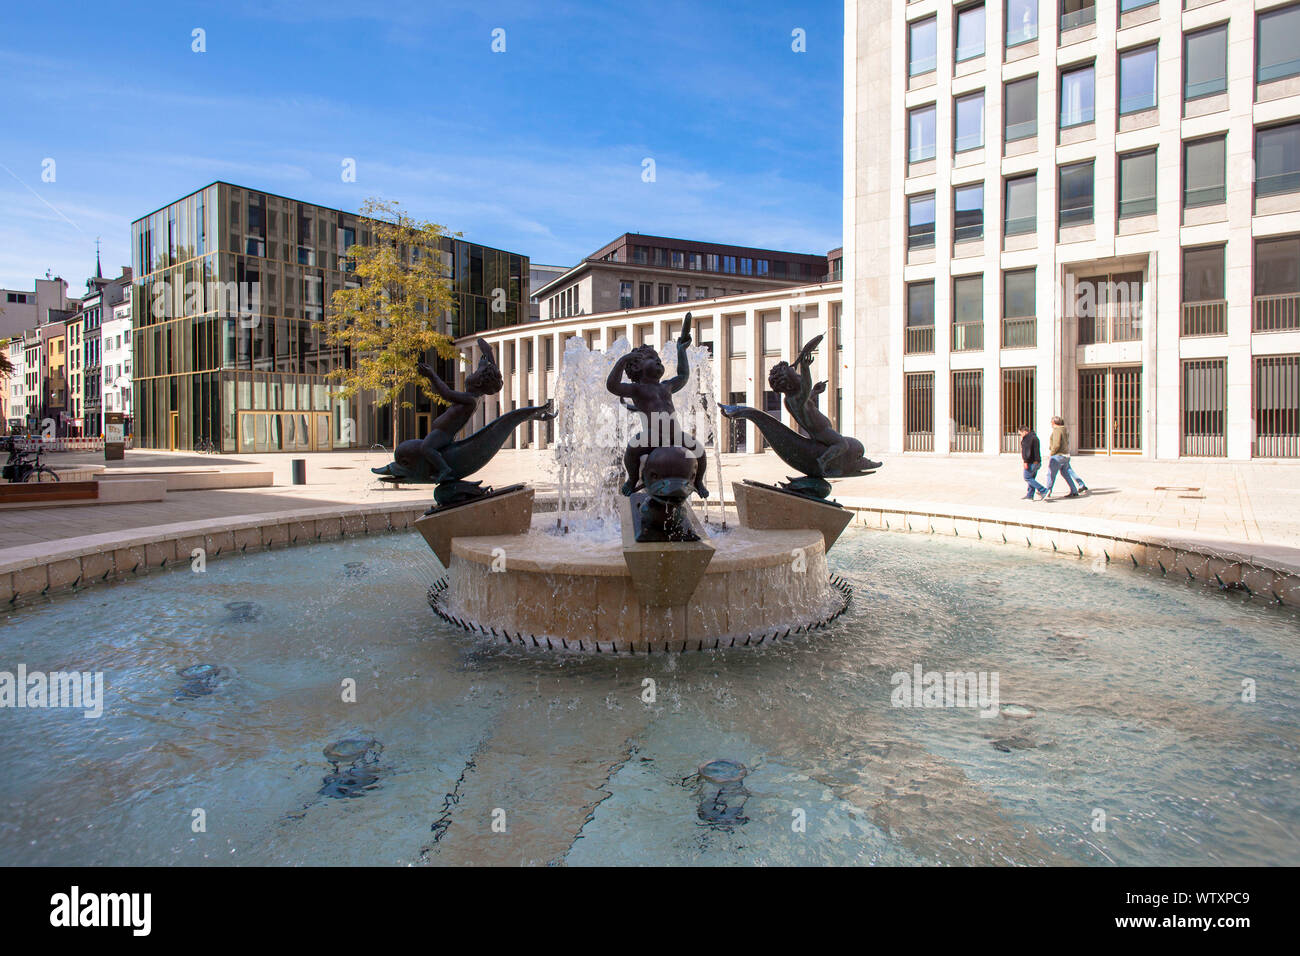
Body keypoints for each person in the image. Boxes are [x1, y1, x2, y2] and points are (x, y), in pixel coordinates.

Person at [1045, 415, 1088, 496]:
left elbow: (1056, 444)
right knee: (1066, 473)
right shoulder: (1064, 430)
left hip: (1058, 455)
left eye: (1051, 422)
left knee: (1051, 474)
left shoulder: (1057, 430)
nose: (1051, 423)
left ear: (1054, 422)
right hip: (1065, 455)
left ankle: (1047, 491)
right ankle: (1074, 490)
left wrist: (1052, 453)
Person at [1018, 425, 1047, 500]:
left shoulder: (1027, 439)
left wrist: (1025, 461)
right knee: (1032, 478)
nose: (1020, 436)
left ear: (1024, 432)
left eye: (1020, 434)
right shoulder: (1034, 437)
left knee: (1027, 477)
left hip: (1031, 462)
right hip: (1037, 462)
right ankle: (1030, 495)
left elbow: (1027, 451)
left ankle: (1043, 490)